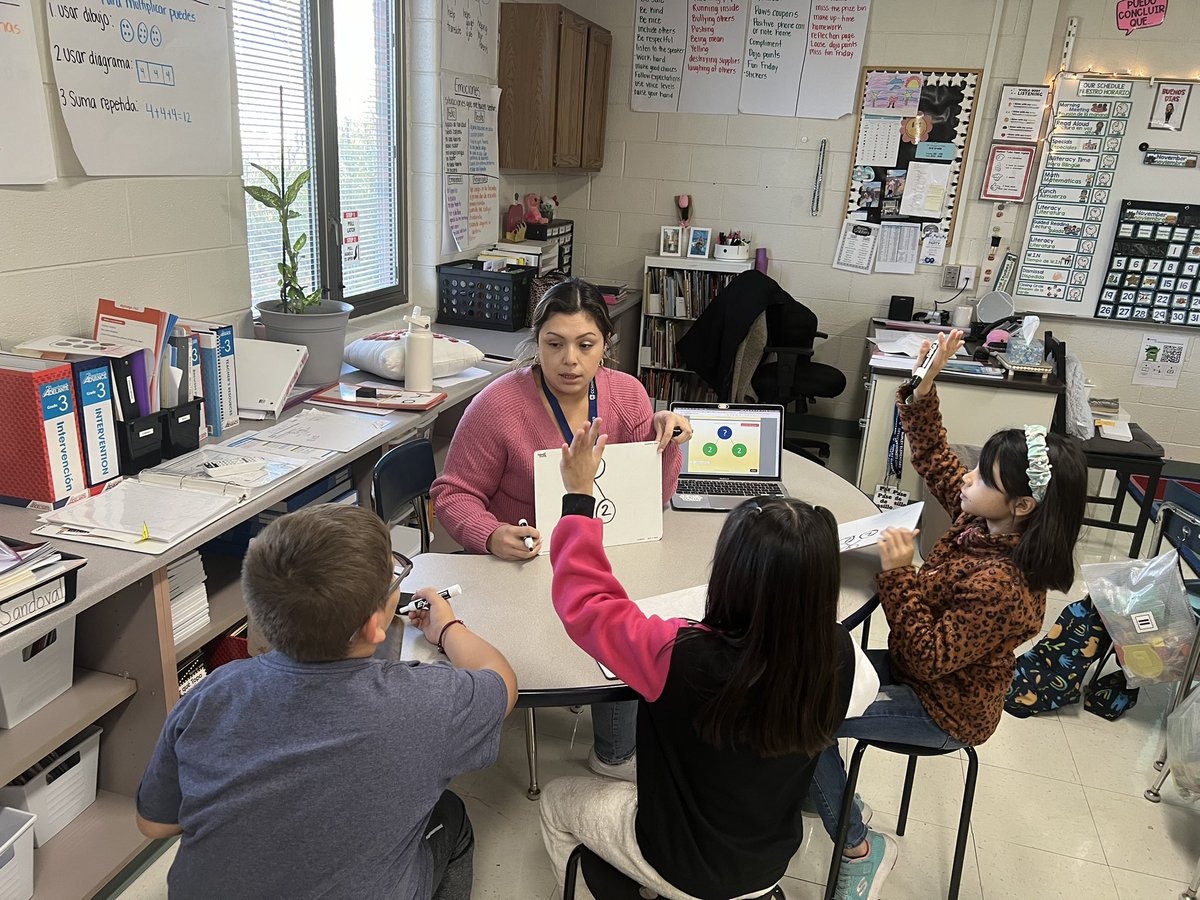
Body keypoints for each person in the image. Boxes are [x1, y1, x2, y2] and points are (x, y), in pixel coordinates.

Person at [539, 418, 881, 899]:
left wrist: (578, 497)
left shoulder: (676, 654)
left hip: (680, 861)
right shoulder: (844, 656)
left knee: (556, 801)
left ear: (730, 574)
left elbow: (587, 605)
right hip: (768, 860)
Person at [809, 329, 1087, 900]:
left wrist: (899, 573)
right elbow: (936, 456)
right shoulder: (982, 522)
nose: (965, 478)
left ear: (1022, 506)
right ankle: (827, 789)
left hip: (944, 710)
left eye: (983, 477)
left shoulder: (1004, 584)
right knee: (806, 678)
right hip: (923, 678)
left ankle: (859, 846)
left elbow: (927, 656)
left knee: (803, 723)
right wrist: (922, 388)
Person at [135, 505, 518, 900]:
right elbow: (502, 682)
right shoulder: (426, 701)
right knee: (451, 816)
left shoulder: (211, 692)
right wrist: (447, 628)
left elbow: (155, 824)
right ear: (375, 626)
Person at [431, 278, 689, 781]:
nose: (569, 360)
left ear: (605, 347)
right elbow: (451, 494)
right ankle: (613, 744)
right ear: (536, 343)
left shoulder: (628, 395)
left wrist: (667, 443)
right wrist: (489, 533)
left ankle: (615, 749)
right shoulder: (497, 405)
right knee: (610, 616)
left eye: (585, 345)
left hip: (601, 554)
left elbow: (651, 499)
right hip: (525, 566)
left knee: (634, 613)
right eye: (554, 344)